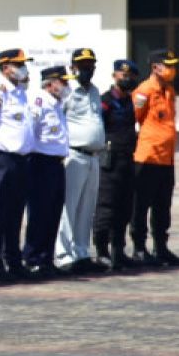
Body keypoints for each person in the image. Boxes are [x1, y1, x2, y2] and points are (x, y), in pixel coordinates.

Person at [0, 48, 37, 284]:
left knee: (15, 214)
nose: (24, 68)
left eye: (24, 64)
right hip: (0, 159)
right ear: (6, 68)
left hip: (21, 160)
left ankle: (13, 261)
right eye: (19, 65)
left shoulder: (21, 93)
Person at [131, 49, 179, 266]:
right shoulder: (144, 91)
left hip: (166, 159)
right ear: (155, 67)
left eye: (174, 65)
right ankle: (138, 248)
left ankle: (161, 248)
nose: (172, 69)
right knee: (141, 205)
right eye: (168, 65)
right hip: (147, 158)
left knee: (163, 206)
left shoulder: (169, 90)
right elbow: (132, 119)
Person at [55, 48, 106, 274]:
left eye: (90, 65)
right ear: (72, 67)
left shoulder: (95, 91)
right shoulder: (66, 91)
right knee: (69, 207)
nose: (87, 69)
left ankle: (82, 252)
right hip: (73, 155)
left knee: (87, 208)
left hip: (94, 156)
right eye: (82, 65)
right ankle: (64, 256)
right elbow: (56, 120)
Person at [22, 66, 72, 278]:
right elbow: (29, 133)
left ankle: (46, 258)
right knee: (40, 213)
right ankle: (32, 258)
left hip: (56, 163)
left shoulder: (57, 104)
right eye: (63, 82)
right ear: (51, 84)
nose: (67, 86)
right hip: (40, 163)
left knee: (53, 213)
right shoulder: (39, 103)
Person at [92, 59, 140, 270]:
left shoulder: (131, 100)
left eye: (130, 76)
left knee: (124, 207)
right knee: (106, 207)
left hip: (128, 159)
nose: (126, 79)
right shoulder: (104, 100)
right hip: (109, 161)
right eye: (123, 75)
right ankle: (102, 251)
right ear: (114, 76)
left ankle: (118, 251)